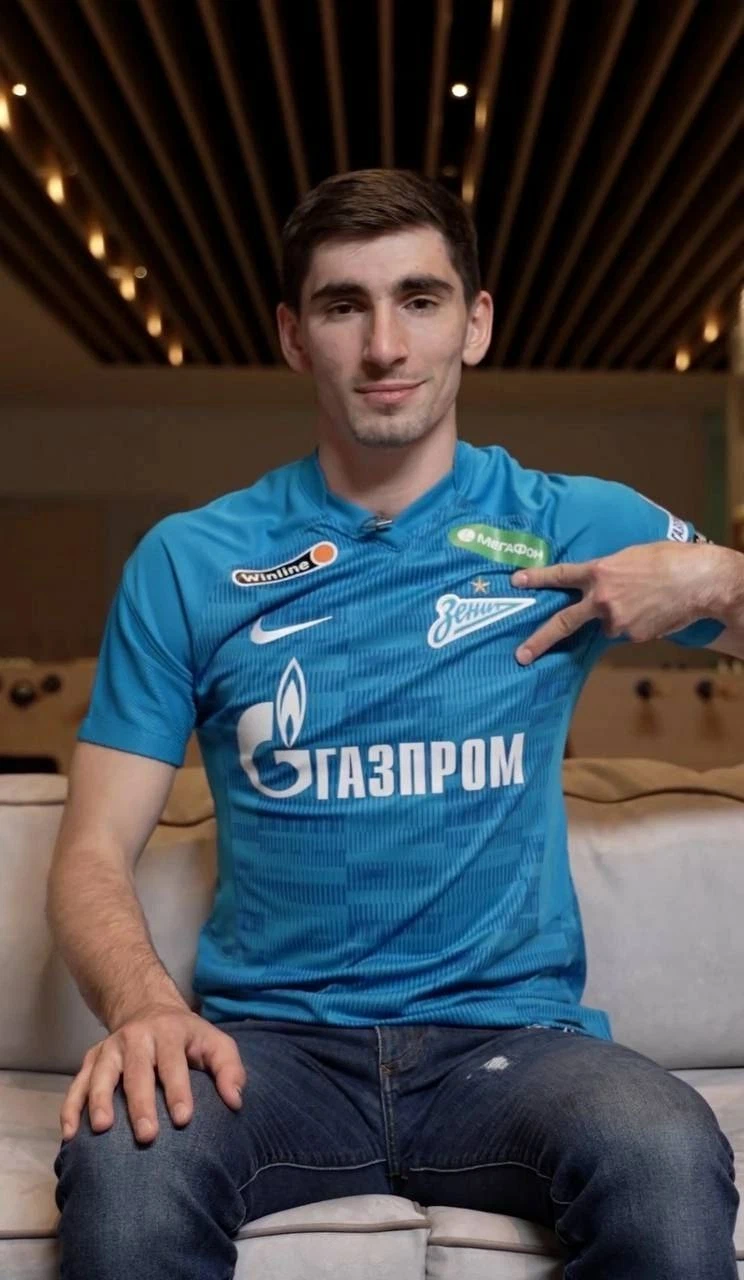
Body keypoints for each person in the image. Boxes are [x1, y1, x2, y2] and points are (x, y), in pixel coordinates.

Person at [49, 168, 743, 1279]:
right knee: (127, 1167)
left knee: (663, 1152)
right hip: (273, 1053)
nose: (384, 345)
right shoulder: (189, 561)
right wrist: (143, 1006)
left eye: (420, 299)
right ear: (293, 334)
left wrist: (712, 577)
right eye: (343, 305)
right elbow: (89, 848)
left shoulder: (570, 524)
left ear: (476, 323)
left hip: (512, 1046)